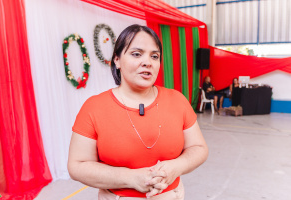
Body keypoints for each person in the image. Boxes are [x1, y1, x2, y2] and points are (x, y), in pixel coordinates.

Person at [68, 24, 208, 200]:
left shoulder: (177, 100)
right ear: (117, 60)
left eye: (154, 56)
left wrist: (176, 167)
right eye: (136, 54)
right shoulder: (94, 107)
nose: (147, 62)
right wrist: (130, 178)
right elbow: (77, 165)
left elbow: (199, 147)